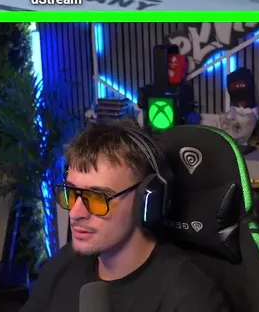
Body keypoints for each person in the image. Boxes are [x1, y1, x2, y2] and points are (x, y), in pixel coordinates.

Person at [20, 123, 229, 312]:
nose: (75, 213)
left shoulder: (188, 297)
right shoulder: (62, 265)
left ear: (147, 200)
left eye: (97, 198)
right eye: (72, 193)